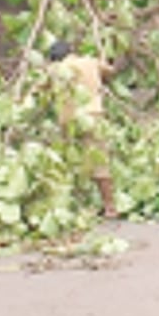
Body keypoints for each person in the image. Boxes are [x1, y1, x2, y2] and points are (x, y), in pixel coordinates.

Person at [48, 40, 118, 219]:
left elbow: (43, 88)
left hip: (71, 120)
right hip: (94, 116)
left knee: (72, 162)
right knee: (98, 159)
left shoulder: (57, 69)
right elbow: (110, 71)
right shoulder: (89, 62)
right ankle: (109, 206)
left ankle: (79, 207)